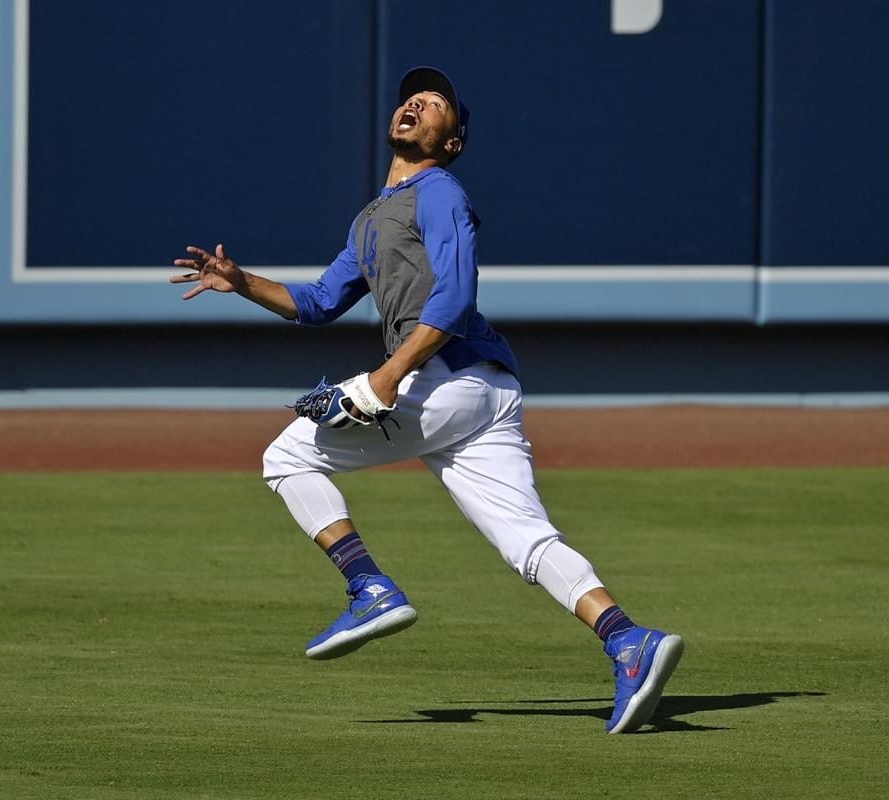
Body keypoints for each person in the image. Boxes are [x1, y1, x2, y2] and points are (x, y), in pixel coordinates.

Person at [171, 67, 683, 733]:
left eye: (435, 102)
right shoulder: (370, 221)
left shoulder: (438, 190)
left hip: (446, 377)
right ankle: (626, 639)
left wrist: (388, 377)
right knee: (526, 538)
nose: (417, 102)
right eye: (413, 95)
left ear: (453, 142)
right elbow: (317, 302)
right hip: (483, 391)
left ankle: (369, 588)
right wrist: (241, 282)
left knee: (287, 457)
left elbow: (455, 294)